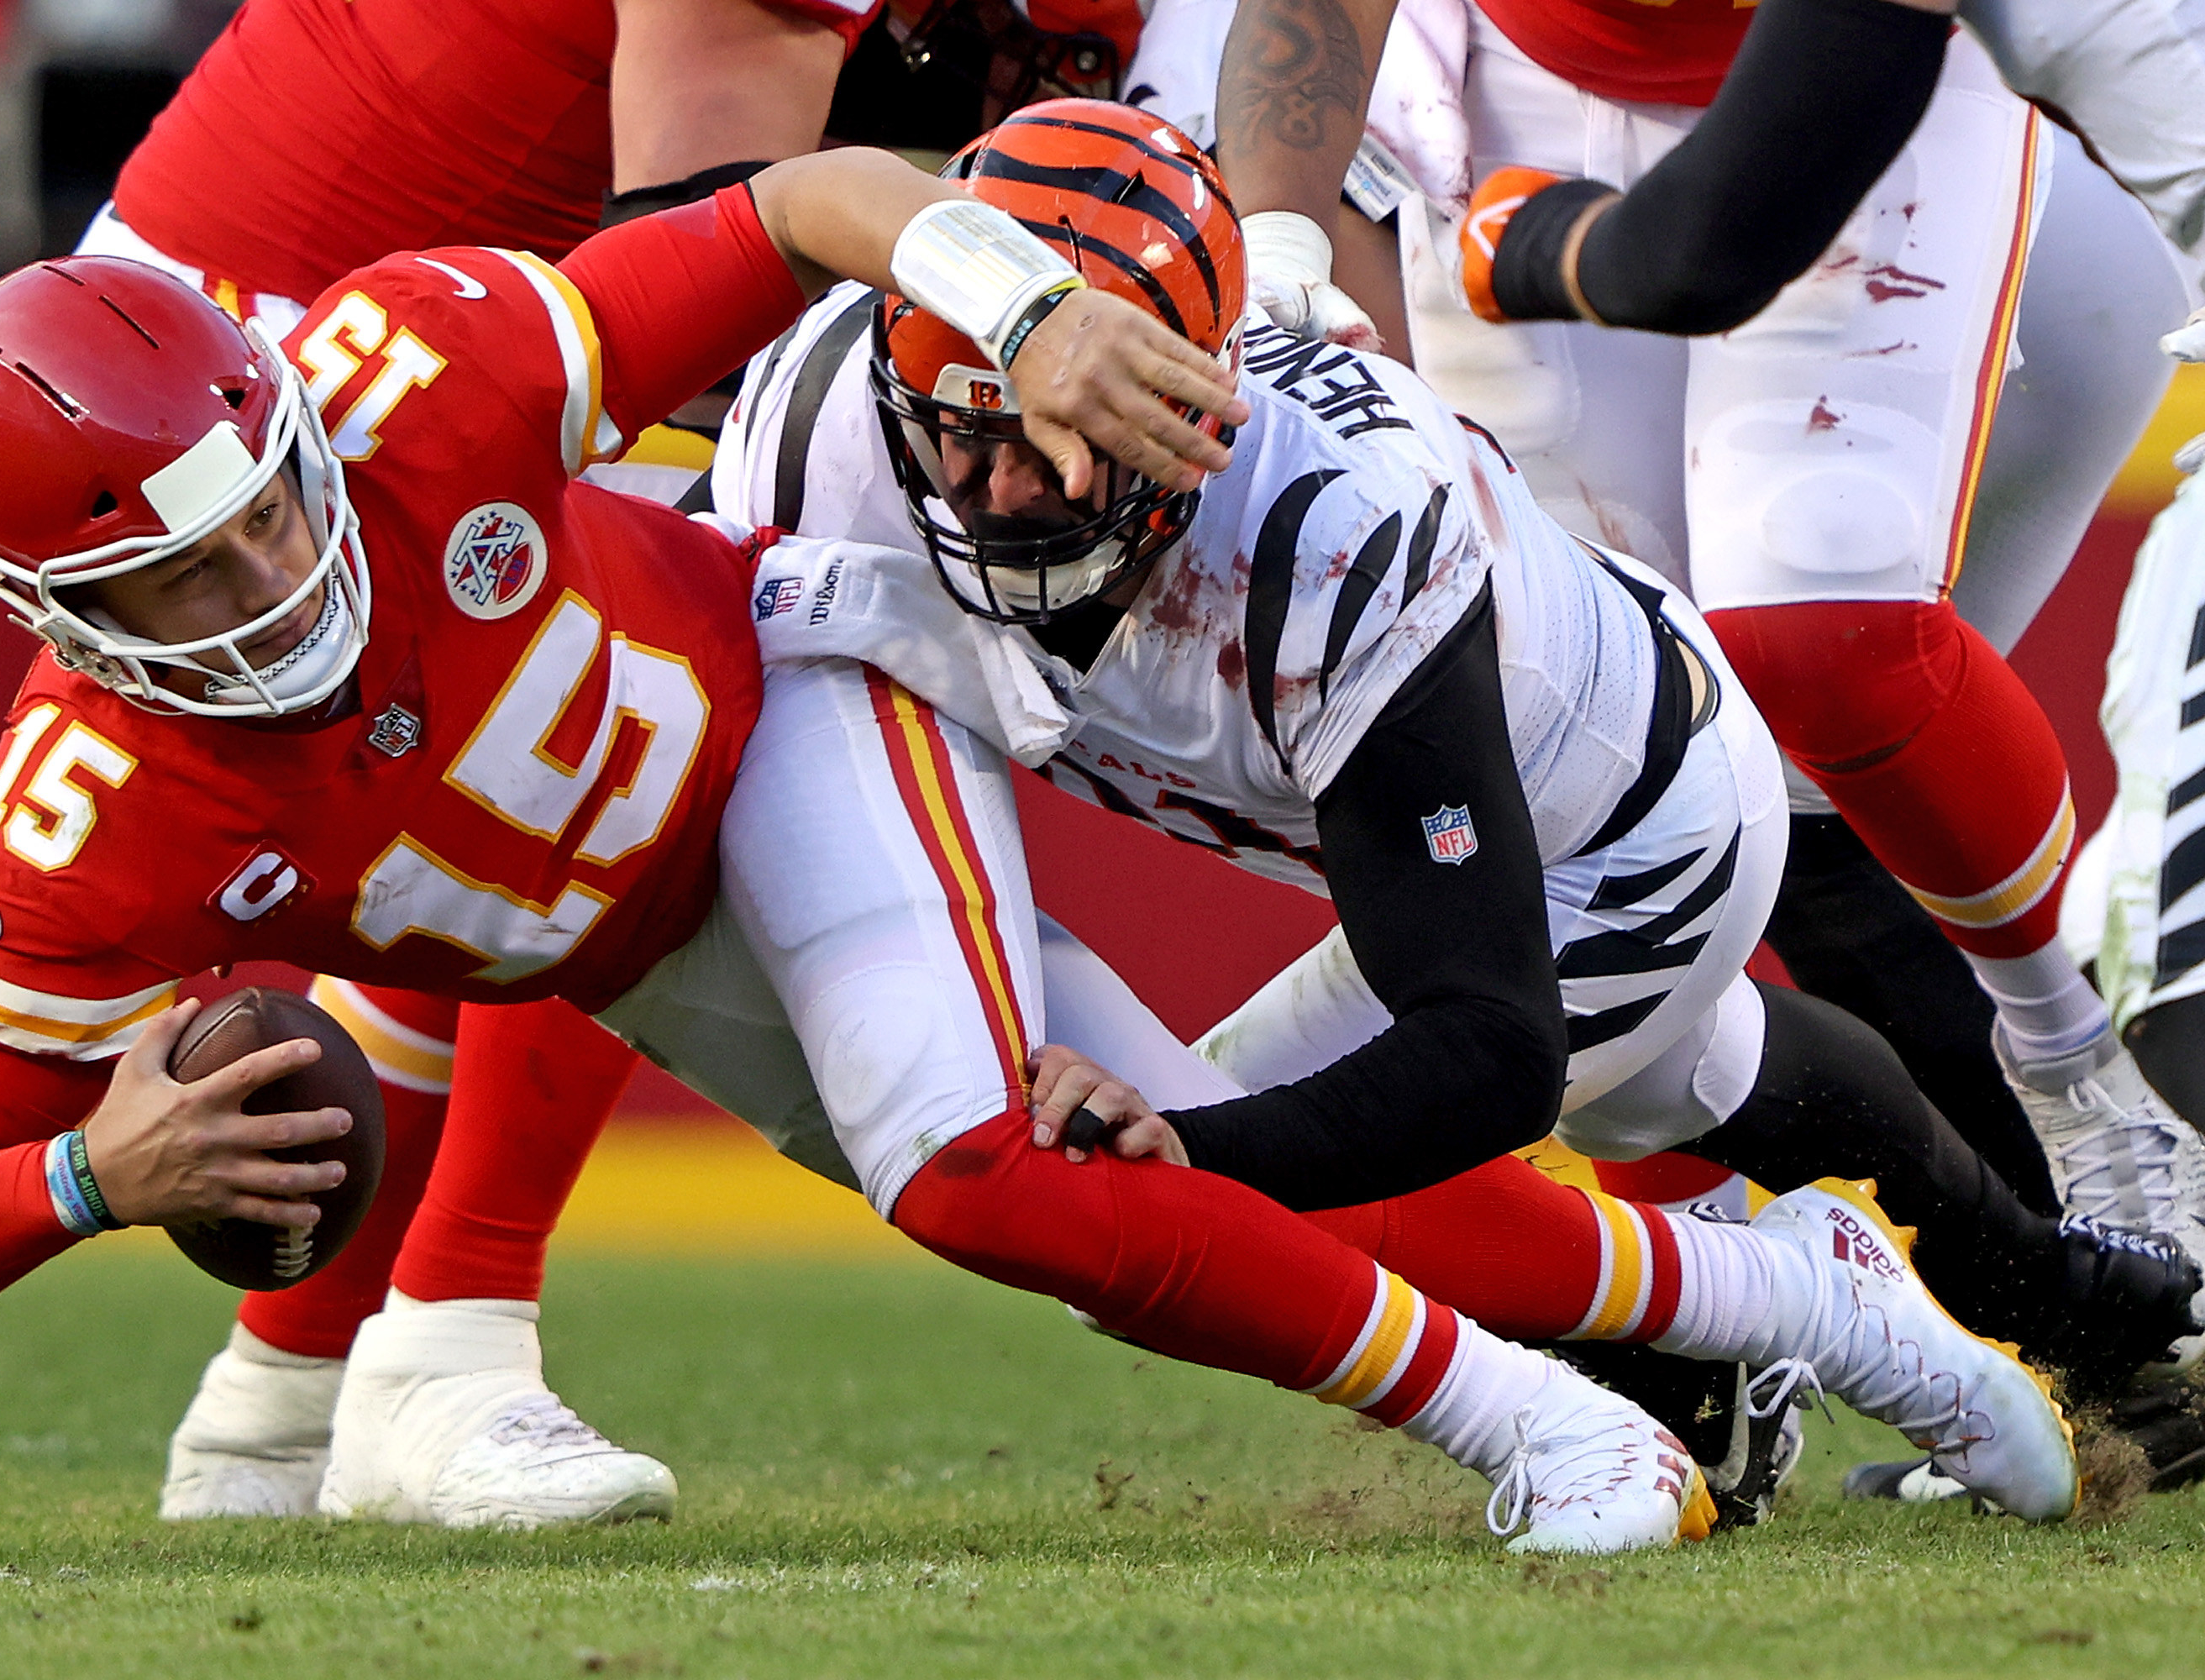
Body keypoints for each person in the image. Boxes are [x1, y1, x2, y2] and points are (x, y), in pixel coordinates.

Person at [710, 101, 2204, 1408]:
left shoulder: (1330, 534)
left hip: (1635, 826)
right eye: (959, 433)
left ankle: (1735, 1357)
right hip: (1487, 753)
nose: (1005, 492)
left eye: (1067, 435)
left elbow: (1490, 1052)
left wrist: (1208, 1148)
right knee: (1699, 1078)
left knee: (1174, 1194)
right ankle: (2065, 1304)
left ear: (1201, 390)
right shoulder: (820, 427)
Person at [1199, 0, 2205, 1271]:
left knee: (1822, 619)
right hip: (1512, 83)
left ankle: (2090, 1083)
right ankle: (1737, 1297)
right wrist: (1283, 243)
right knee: (1600, 759)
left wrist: (1528, 246)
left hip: (1869, 115)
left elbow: (1702, 251)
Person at [57, 0, 883, 1525]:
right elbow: (721, 226)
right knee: (614, 727)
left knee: (506, 801)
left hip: (332, 299)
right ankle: (442, 1342)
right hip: (276, 338)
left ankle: (282, 1406)